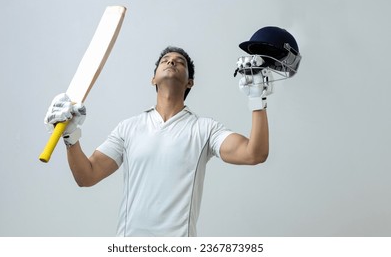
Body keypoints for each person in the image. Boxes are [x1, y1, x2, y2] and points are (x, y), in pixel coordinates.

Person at [44, 26, 301, 237]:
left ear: (190, 82)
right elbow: (86, 176)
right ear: (153, 78)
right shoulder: (128, 128)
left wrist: (257, 100)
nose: (172, 62)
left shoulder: (205, 129)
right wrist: (71, 138)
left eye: (180, 62)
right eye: (165, 61)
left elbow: (254, 154)